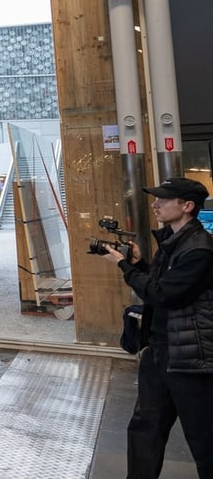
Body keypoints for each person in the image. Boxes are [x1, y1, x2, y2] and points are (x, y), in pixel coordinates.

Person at [100, 176, 213, 479]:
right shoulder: (171, 242)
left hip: (189, 358)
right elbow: (161, 283)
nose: (155, 204)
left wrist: (124, 268)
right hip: (160, 350)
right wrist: (137, 265)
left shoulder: (200, 249)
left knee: (203, 440)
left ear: (187, 206)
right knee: (145, 428)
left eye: (163, 200)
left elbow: (165, 295)